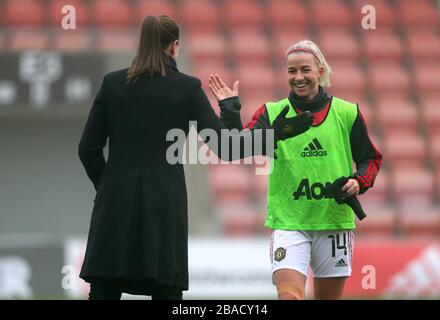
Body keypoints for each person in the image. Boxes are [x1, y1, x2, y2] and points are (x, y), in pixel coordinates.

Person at [78, 15, 314, 300]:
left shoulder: (112, 83)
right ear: (175, 46)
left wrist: (107, 188)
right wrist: (259, 123)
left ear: (142, 44)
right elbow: (228, 148)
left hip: (114, 204)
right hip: (165, 206)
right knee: (166, 291)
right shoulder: (186, 88)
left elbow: (87, 149)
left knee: (104, 289)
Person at [209, 40, 383, 300]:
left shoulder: (347, 113)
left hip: (333, 221)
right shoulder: (273, 112)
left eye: (305, 70)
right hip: (290, 222)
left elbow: (371, 159)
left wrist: (358, 182)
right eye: (292, 71)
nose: (298, 77)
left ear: (320, 71)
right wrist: (230, 109)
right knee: (289, 296)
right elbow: (235, 148)